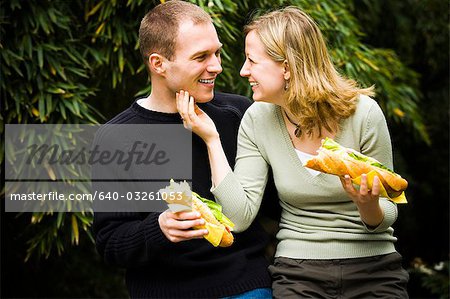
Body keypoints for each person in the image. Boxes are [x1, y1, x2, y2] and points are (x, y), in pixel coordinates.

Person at [177, 6, 409, 299]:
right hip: (299, 273)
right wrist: (211, 140)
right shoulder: (258, 119)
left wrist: (367, 205)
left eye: (251, 61)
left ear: (286, 67)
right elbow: (239, 217)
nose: (242, 71)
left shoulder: (363, 114)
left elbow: (389, 211)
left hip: (374, 269)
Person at [93, 1, 274, 298]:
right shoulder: (117, 137)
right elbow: (111, 244)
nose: (216, 66)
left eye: (217, 52)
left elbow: (277, 207)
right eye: (201, 57)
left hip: (246, 286)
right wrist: (159, 228)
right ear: (158, 64)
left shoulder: (240, 114)